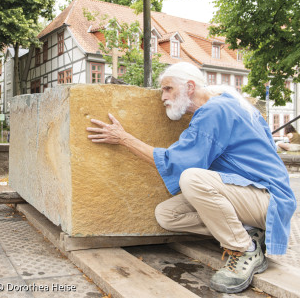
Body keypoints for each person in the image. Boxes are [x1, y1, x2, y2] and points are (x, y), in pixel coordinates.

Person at [86, 62, 296, 294]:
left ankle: (244, 249)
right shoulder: (229, 104)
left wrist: (123, 138)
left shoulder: (215, 110)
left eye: (168, 89)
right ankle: (248, 232)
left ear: (190, 86)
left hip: (269, 200)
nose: (162, 96)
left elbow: (177, 161)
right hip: (250, 195)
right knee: (167, 215)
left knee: (192, 178)